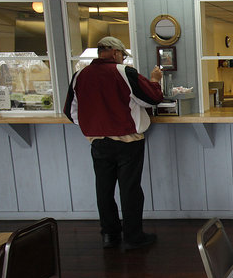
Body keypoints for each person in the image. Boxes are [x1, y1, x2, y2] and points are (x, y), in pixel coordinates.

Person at [64, 37, 163, 250]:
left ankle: (109, 234)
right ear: (117, 53)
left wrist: (94, 125)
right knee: (130, 189)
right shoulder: (124, 72)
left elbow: (71, 111)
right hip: (127, 140)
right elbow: (152, 98)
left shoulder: (79, 76)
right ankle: (133, 236)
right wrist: (155, 80)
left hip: (98, 141)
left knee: (104, 189)